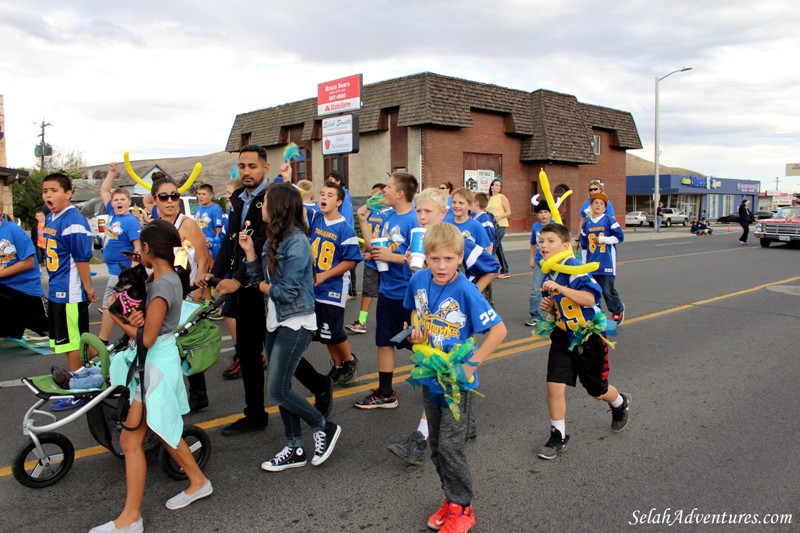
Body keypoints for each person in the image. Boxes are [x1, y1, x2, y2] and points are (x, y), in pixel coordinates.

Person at [203, 145, 329, 435]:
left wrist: (239, 279)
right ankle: (255, 414)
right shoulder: (237, 198)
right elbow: (232, 241)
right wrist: (215, 273)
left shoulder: (273, 199)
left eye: (252, 166)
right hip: (246, 282)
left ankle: (321, 386)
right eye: (242, 166)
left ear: (265, 168)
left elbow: (262, 244)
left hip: (264, 285)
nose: (246, 172)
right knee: (247, 351)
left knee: (281, 356)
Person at [95, 220, 212, 533]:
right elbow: (151, 327)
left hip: (154, 365)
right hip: (156, 363)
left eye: (139, 247)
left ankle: (131, 518)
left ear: (147, 249)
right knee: (155, 430)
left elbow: (146, 338)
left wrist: (118, 318)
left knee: (133, 438)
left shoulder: (161, 285)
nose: (136, 251)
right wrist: (137, 318)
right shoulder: (165, 278)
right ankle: (197, 481)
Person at [404, 222, 507, 533]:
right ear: (426, 257)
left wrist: (470, 366)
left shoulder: (465, 289)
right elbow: (413, 312)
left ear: (460, 258)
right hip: (430, 376)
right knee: (436, 447)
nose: (441, 265)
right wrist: (415, 331)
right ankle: (451, 499)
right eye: (435, 258)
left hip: (456, 384)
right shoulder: (419, 280)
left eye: (448, 259)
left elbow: (499, 331)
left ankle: (463, 508)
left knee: (451, 447)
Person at [387, 188, 498, 466]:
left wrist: (469, 292)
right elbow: (415, 284)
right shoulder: (418, 241)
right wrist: (415, 317)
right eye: (419, 211)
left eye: (428, 212)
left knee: (444, 377)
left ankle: (420, 441)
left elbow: (491, 266)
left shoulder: (454, 242)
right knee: (437, 387)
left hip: (453, 321)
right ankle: (465, 424)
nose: (422, 217)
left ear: (443, 213)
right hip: (427, 322)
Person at [240, 183, 342, 471]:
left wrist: (260, 285)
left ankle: (323, 426)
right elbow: (257, 276)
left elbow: (284, 292)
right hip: (275, 320)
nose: (262, 207)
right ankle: (294, 447)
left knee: (277, 390)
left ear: (280, 207)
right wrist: (249, 252)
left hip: (296, 321)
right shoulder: (272, 240)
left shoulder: (296, 242)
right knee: (282, 387)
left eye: (266, 202)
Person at [536, 223, 630, 460]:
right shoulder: (549, 272)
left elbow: (589, 298)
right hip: (563, 336)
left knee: (597, 391)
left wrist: (561, 289)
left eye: (550, 241)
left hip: (589, 337)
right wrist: (549, 308)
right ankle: (558, 435)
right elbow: (557, 310)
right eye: (541, 241)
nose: (543, 245)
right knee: (554, 386)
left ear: (565, 246)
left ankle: (619, 402)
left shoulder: (575, 268)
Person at [354, 172, 419, 409]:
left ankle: (442, 382)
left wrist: (392, 257)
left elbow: (420, 259)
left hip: (407, 294)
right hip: (387, 290)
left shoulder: (415, 220)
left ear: (400, 193)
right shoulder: (389, 216)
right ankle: (385, 393)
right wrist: (362, 221)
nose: (384, 191)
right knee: (384, 342)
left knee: (419, 342)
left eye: (389, 187)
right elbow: (375, 247)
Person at [150, 175, 210, 413]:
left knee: (188, 345)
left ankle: (198, 395)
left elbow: (203, 256)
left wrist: (199, 291)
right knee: (168, 347)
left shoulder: (187, 224)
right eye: (164, 197)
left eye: (174, 196)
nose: (170, 201)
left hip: (188, 294)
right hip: (167, 293)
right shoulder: (154, 227)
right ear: (155, 200)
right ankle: (172, 394)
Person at [41, 173, 98, 411]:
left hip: (71, 292)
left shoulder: (73, 220)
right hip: (57, 288)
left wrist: (87, 287)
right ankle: (107, 369)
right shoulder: (53, 217)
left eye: (53, 190)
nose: (47, 195)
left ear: (68, 194)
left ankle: (78, 390)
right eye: (45, 191)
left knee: (73, 343)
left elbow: (82, 258)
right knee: (68, 342)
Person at [308, 181, 362, 384]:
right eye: (322, 194)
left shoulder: (345, 228)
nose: (324, 197)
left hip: (333, 288)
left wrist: (325, 275)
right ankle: (337, 365)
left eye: (330, 195)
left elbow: (350, 261)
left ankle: (349, 360)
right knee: (324, 332)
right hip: (315, 286)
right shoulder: (315, 219)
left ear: (339, 202)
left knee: (334, 330)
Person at [97, 163, 142, 346]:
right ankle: (129, 339)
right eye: (116, 200)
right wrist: (112, 173)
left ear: (129, 203)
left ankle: (103, 341)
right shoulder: (113, 215)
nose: (118, 202)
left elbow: (137, 248)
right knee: (118, 306)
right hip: (114, 270)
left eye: (122, 200)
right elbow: (105, 190)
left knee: (111, 305)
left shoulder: (130, 222)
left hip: (120, 272)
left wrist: (130, 274)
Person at [0, 203, 48, 339]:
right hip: (4, 289)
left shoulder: (13, 230)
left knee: (50, 330)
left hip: (24, 289)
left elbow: (28, 262)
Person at [346, 182, 388, 334]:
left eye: (377, 193)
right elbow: (367, 234)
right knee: (367, 291)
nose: (373, 197)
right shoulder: (371, 213)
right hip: (371, 263)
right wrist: (363, 253)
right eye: (372, 194)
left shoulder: (389, 213)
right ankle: (361, 322)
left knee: (387, 293)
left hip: (385, 261)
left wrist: (373, 254)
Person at [580, 192, 625, 325]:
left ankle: (617, 309)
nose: (598, 205)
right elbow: (584, 245)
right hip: (591, 262)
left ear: (605, 207)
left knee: (607, 289)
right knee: (593, 290)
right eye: (595, 203)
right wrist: (583, 265)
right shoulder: (587, 223)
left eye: (601, 203)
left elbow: (619, 237)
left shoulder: (608, 220)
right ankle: (596, 314)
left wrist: (603, 239)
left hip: (606, 261)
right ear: (591, 206)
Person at [326, 171, 357, 299]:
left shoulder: (343, 197)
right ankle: (351, 290)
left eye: (332, 180)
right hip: (346, 233)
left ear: (338, 182)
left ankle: (350, 290)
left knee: (347, 262)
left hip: (344, 234)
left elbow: (344, 217)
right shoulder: (345, 195)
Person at [526, 203, 553, 327]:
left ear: (550, 214)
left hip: (553, 262)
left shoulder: (555, 225)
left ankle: (557, 313)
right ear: (537, 215)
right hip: (539, 261)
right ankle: (535, 315)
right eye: (540, 212)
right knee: (536, 289)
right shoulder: (535, 227)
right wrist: (531, 258)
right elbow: (533, 244)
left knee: (555, 288)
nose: (543, 215)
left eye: (546, 212)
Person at [486, 178, 511, 278]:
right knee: (498, 249)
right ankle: (505, 270)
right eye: (496, 185)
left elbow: (509, 212)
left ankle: (488, 270)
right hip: (490, 226)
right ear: (491, 186)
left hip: (500, 225)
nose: (498, 187)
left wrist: (499, 216)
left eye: (499, 186)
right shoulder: (488, 198)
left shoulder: (502, 197)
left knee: (492, 247)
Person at [194, 183, 224, 263]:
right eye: (199, 194)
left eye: (203, 194)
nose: (200, 196)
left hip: (210, 244)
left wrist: (215, 242)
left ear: (211, 196)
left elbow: (218, 228)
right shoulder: (198, 209)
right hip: (199, 242)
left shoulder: (215, 209)